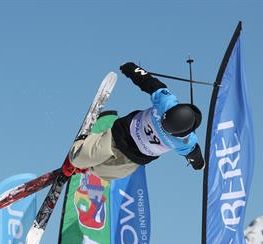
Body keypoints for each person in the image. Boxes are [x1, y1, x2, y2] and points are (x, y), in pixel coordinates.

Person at [64, 62, 205, 182]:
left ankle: (88, 167)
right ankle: (84, 146)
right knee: (77, 159)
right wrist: (132, 69)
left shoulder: (187, 143)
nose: (161, 124)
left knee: (103, 174)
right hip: (119, 136)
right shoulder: (166, 102)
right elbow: (148, 82)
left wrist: (200, 164)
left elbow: (195, 155)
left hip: (132, 159)